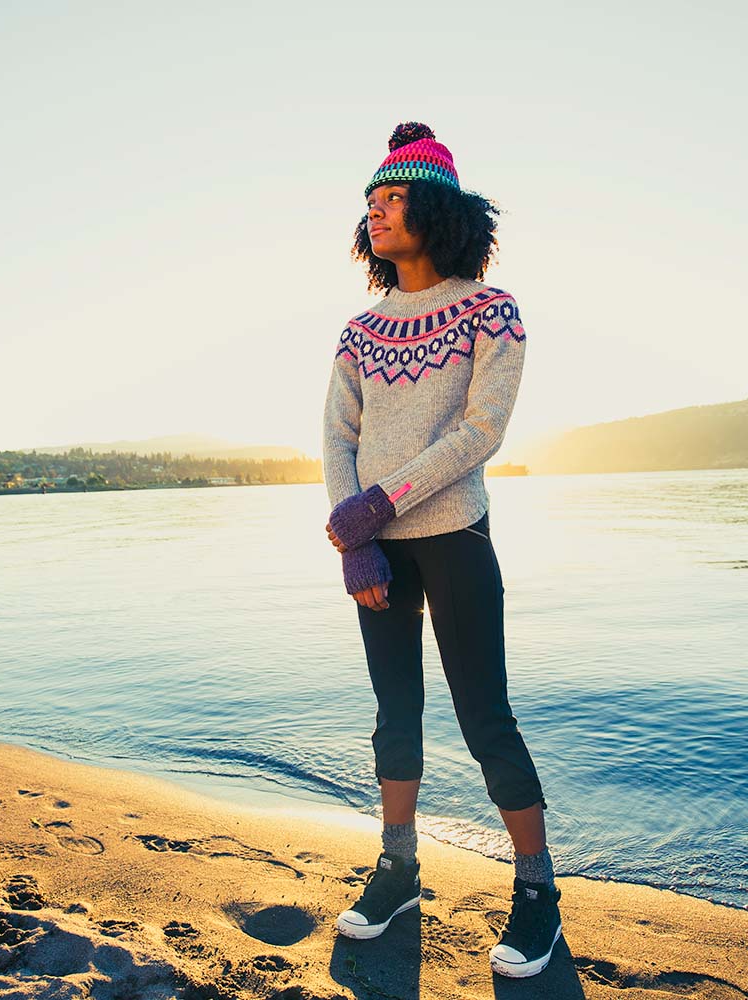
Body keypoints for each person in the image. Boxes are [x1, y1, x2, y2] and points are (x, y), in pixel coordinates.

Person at [321, 121, 562, 979]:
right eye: (370, 203)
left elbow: (482, 430)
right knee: (395, 716)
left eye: (392, 198)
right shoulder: (358, 331)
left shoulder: (490, 310)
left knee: (484, 718)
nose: (377, 214)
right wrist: (355, 538)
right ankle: (399, 872)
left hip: (454, 537)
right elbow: (336, 437)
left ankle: (537, 894)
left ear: (435, 207)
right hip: (378, 553)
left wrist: (381, 502)